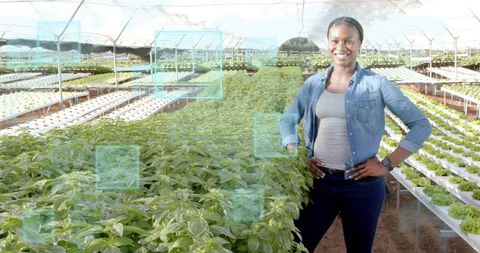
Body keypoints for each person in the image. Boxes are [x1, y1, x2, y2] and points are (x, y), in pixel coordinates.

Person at [279, 16, 432, 253]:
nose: (341, 47)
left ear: (360, 43)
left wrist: (387, 164)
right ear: (328, 44)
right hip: (319, 182)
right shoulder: (313, 84)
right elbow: (288, 120)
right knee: (297, 247)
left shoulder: (377, 84)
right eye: (335, 40)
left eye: (349, 41)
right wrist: (297, 153)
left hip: (362, 186)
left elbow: (421, 124)